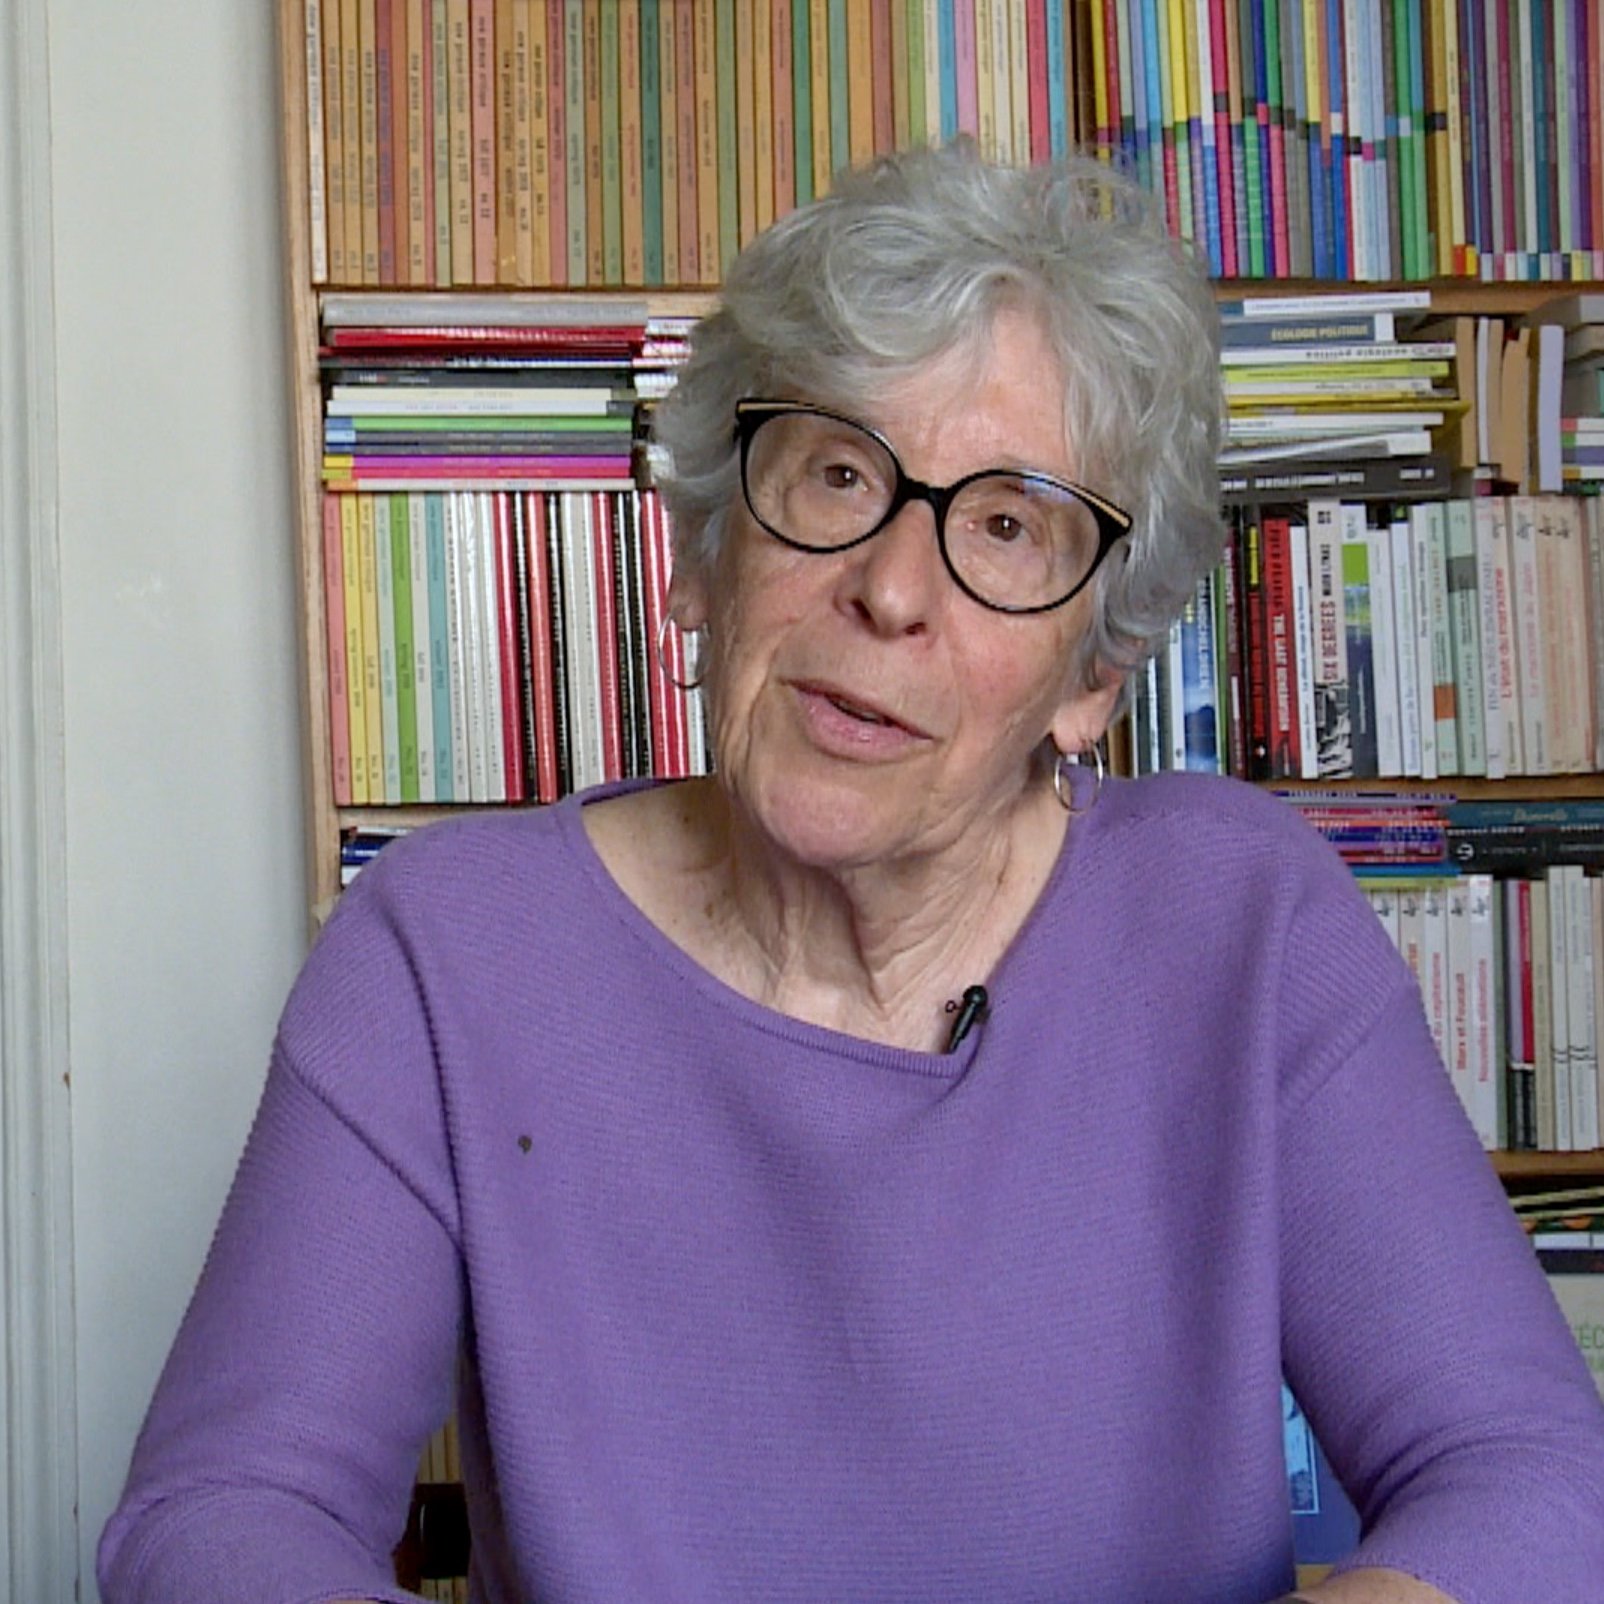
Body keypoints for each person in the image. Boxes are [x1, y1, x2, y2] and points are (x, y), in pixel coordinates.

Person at [100, 143, 1604, 1604]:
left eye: (1005, 527)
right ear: (701, 553)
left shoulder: (1242, 927)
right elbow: (224, 1515)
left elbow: (1536, 1475)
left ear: (1093, 674)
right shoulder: (450, 954)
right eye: (835, 475)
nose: (891, 590)